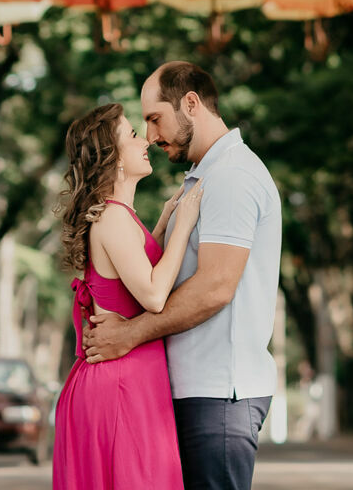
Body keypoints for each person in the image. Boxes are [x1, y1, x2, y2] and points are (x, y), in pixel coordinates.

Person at [83, 62, 282, 490]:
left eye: (155, 119)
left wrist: (130, 334)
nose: (151, 135)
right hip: (191, 389)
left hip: (219, 392)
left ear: (190, 104)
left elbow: (215, 287)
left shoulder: (231, 176)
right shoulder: (203, 177)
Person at [51, 101, 203, 489]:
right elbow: (153, 296)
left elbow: (133, 272)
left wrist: (163, 224)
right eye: (133, 135)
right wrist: (183, 226)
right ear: (113, 157)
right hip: (120, 384)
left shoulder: (119, 215)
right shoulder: (112, 218)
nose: (144, 141)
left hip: (126, 379)